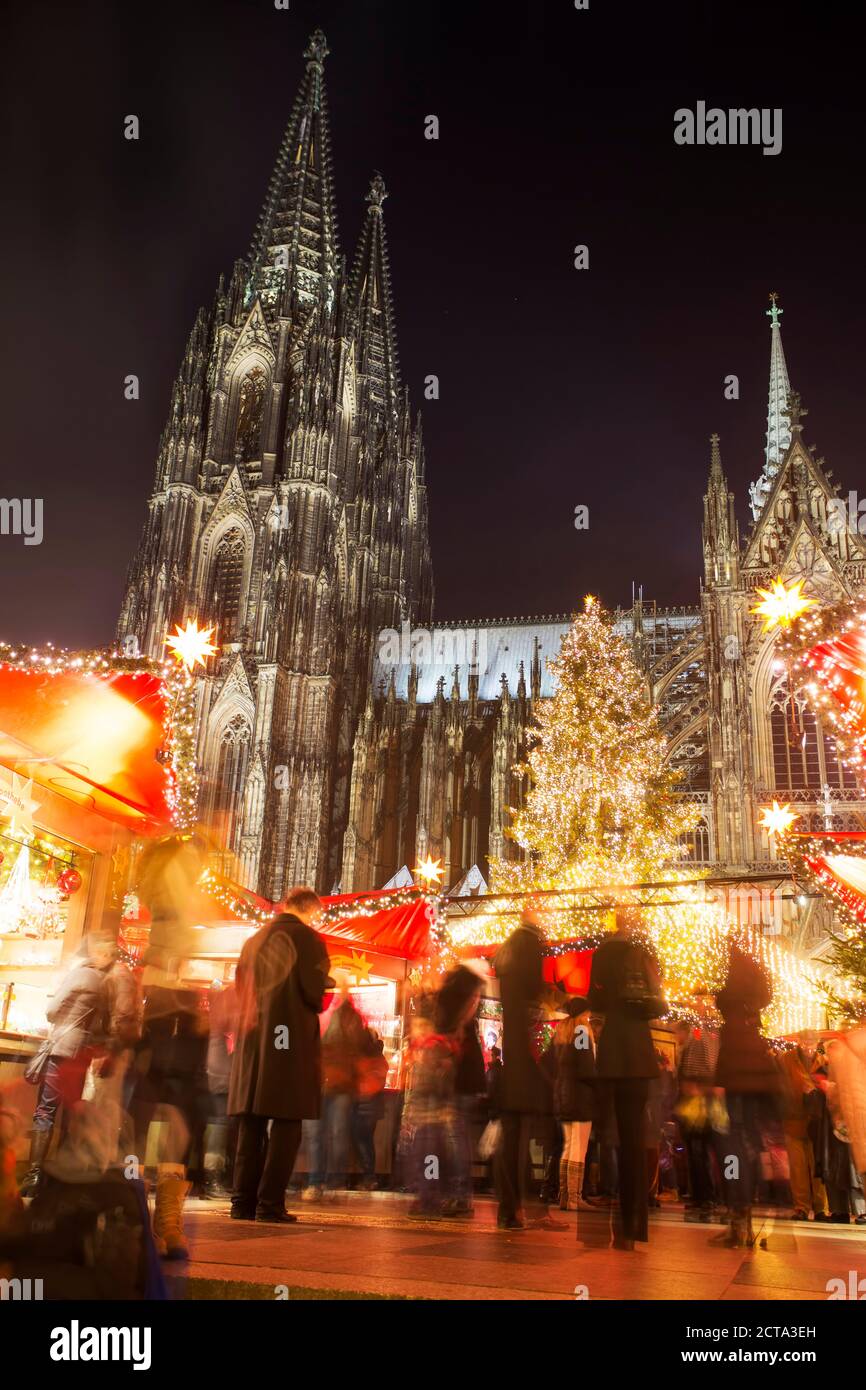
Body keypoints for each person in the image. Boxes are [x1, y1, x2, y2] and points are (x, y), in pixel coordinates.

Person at [228, 886, 333, 1223]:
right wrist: (328, 983)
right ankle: (270, 1204)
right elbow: (313, 993)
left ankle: (241, 1202)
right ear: (311, 911)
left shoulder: (253, 941)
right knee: (287, 1125)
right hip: (287, 1044)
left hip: (252, 1045)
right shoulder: (310, 940)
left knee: (251, 1126)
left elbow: (239, 990)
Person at [587, 908, 665, 1250]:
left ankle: (615, 1221)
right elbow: (657, 1004)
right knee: (636, 1142)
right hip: (639, 1055)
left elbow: (596, 1000)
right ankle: (634, 1226)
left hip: (613, 1053)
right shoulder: (645, 953)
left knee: (610, 1137)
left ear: (614, 924)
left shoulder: (602, 954)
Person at [20, 932, 115, 1197]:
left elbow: (51, 1011)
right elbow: (103, 1025)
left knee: (45, 1111)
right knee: (71, 1111)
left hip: (61, 1048)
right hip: (80, 1052)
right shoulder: (104, 983)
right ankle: (61, 1177)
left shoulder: (79, 974)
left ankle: (34, 1176)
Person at [493, 910, 559, 1231]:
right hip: (526, 1060)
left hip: (512, 1057)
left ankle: (510, 1208)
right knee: (526, 1140)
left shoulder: (508, 949)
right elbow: (535, 1000)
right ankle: (524, 1209)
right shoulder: (530, 945)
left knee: (512, 1137)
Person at [712, 940, 780, 1248]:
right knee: (751, 1141)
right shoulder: (756, 1002)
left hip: (736, 1079)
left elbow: (722, 1002)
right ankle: (748, 1210)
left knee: (730, 1146)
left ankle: (738, 1215)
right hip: (758, 1080)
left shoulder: (733, 994)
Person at [305, 992, 367, 1199]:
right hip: (320, 1082)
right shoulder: (315, 1011)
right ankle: (318, 1181)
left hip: (339, 1083)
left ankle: (332, 1181)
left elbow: (358, 1045)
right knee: (319, 1135)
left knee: (335, 1133)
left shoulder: (350, 1016)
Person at [437, 965, 485, 1216]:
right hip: (463, 1080)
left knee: (455, 1137)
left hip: (460, 1079)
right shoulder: (465, 1023)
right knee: (456, 1137)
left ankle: (459, 1194)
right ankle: (458, 1192)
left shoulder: (462, 988)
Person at [547, 996, 597, 1211]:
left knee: (568, 1147)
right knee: (579, 1147)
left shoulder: (561, 1033)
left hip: (563, 1097)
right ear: (583, 1013)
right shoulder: (581, 1032)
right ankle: (575, 1198)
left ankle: (565, 1196)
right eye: (588, 1013)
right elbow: (586, 1067)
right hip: (580, 1097)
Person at [778, 1043, 827, 1221]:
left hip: (815, 1121)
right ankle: (801, 1207)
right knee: (798, 1167)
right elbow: (780, 1085)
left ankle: (820, 1207)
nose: (808, 1045)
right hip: (793, 1119)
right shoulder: (787, 1059)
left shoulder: (822, 1060)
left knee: (818, 1167)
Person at [352, 1027, 388, 1191]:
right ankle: (367, 1178)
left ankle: (369, 1178)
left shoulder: (368, 1057)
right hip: (370, 1106)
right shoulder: (378, 1057)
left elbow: (371, 1084)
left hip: (365, 1105)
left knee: (363, 1142)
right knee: (364, 1141)